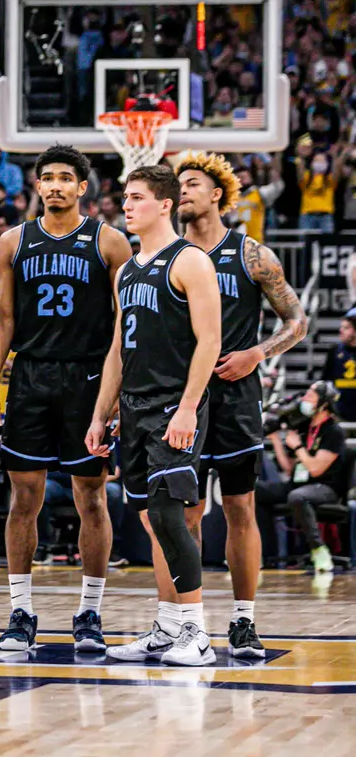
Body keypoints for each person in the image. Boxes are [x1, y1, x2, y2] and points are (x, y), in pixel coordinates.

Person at [0, 146, 131, 654]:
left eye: (67, 178)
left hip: (87, 377)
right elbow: (2, 318)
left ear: (83, 187)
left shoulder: (110, 242)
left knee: (91, 497)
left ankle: (90, 611)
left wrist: (113, 397)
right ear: (37, 186)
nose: (57, 186)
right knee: (24, 498)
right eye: (48, 178)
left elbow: (122, 325)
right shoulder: (13, 241)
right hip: (30, 376)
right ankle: (20, 611)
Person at [88, 165, 223, 667]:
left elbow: (211, 340)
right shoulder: (128, 271)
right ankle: (167, 628)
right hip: (135, 408)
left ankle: (198, 633)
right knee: (149, 520)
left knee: (170, 516)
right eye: (125, 196)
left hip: (174, 404)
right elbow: (119, 350)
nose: (127, 205)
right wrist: (102, 413)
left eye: (137, 197)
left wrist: (188, 407)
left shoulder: (190, 262)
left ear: (165, 204)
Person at [173, 152, 307, 654]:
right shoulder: (169, 254)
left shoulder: (251, 254)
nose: (182, 190)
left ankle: (245, 620)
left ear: (217, 194)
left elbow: (298, 321)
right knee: (185, 512)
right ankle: (188, 622)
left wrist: (257, 352)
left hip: (235, 395)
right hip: (182, 395)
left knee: (239, 508)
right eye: (178, 185)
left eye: (191, 183)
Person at [258, 380, 347, 572]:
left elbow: (315, 469)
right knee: (254, 491)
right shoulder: (304, 427)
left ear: (323, 403)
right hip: (297, 483)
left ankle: (318, 549)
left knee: (298, 497)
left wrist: (297, 446)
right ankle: (264, 553)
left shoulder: (334, 431)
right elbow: (289, 468)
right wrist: (278, 441)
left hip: (325, 487)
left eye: (311, 395)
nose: (305, 398)